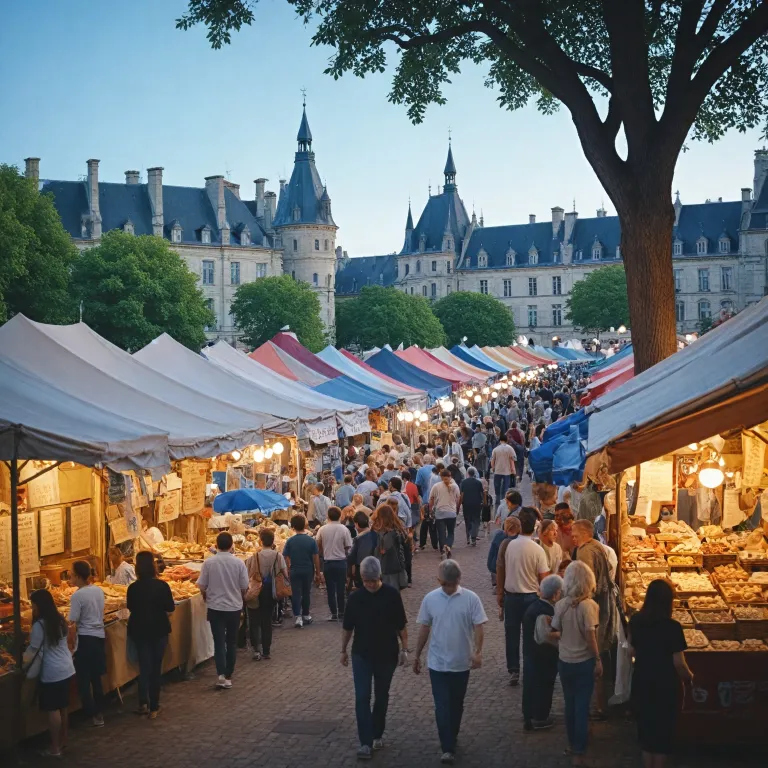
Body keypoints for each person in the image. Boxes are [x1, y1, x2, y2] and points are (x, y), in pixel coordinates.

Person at [414, 560, 487, 765]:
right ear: (440, 581)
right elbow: (424, 628)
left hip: (461, 663)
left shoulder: (471, 599)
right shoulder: (430, 599)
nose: (448, 587)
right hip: (437, 663)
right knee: (442, 706)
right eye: (445, 584)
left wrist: (478, 652)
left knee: (456, 704)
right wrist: (417, 654)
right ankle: (447, 746)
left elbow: (479, 626)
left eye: (450, 583)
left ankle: (451, 735)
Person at [342, 557, 408, 760]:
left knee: (381, 696)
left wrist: (405, 649)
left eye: (373, 580)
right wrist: (343, 650)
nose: (370, 584)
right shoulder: (355, 598)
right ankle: (365, 742)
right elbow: (347, 628)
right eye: (367, 581)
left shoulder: (392, 595)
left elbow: (401, 625)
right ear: (362, 578)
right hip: (361, 654)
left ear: (379, 576)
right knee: (362, 697)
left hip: (387, 654)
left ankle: (377, 732)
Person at [628, 579, 694, 768]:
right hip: (665, 687)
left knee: (647, 735)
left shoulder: (636, 621)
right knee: (663, 737)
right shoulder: (672, 627)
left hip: (642, 682)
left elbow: (630, 651)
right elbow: (678, 663)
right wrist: (689, 677)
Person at [550, 561, 602, 767]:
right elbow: (591, 636)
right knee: (582, 707)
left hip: (564, 661)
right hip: (583, 662)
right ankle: (578, 753)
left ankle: (572, 745)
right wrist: (598, 659)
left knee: (570, 705)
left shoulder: (561, 605)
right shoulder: (590, 606)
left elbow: (554, 631)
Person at [496, 507, 551, 686]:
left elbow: (500, 569)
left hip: (511, 596)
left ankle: (513, 669)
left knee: (511, 634)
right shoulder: (537, 550)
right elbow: (544, 579)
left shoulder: (508, 545)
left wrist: (499, 593)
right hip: (531, 598)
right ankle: (529, 666)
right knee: (529, 635)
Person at [571, 519, 617, 718]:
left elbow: (586, 584)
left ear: (584, 534)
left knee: (593, 655)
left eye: (574, 534)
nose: (572, 538)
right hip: (604, 605)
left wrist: (578, 602)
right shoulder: (598, 546)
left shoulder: (584, 552)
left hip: (595, 609)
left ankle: (599, 706)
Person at [25, 589, 76, 756]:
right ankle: (64, 741)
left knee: (53, 709)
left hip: (52, 671)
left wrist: (22, 659)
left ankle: (54, 747)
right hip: (67, 667)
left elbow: (33, 650)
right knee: (63, 707)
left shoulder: (39, 625)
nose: (33, 608)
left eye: (33, 605)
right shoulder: (60, 619)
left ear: (39, 605)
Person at [127, 550, 175, 716]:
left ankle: (142, 703)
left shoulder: (133, 588)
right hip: (159, 629)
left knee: (144, 666)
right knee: (155, 667)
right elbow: (170, 608)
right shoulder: (162, 586)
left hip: (139, 630)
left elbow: (131, 608)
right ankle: (154, 706)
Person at [197, 532, 249, 688]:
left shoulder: (209, 563)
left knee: (219, 641)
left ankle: (221, 674)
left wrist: (207, 597)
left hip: (215, 608)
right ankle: (228, 676)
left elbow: (201, 586)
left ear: (217, 545)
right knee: (231, 642)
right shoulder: (239, 563)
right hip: (234, 608)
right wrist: (238, 598)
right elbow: (244, 587)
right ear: (232, 545)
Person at [521, 574, 563, 731]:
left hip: (532, 654)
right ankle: (539, 717)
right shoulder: (543, 611)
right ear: (555, 593)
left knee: (532, 684)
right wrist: (562, 635)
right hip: (541, 657)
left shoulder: (535, 606)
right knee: (542, 685)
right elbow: (545, 636)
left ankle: (529, 715)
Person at [68, 560, 106, 726]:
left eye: (71, 574)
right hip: (99, 637)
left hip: (85, 638)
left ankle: (91, 713)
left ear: (77, 576)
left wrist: (70, 644)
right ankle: (99, 712)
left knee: (83, 680)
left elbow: (72, 622)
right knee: (96, 678)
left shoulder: (77, 595)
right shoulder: (98, 590)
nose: (69, 576)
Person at [245, 529, 288, 660]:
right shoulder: (278, 556)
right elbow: (285, 573)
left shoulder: (254, 556)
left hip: (255, 590)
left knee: (254, 620)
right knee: (267, 620)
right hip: (271, 591)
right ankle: (266, 650)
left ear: (261, 541)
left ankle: (256, 650)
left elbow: (248, 574)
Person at [283, 514, 321, 628]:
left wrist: (289, 568)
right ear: (305, 525)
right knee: (306, 593)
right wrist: (318, 573)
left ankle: (297, 616)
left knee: (295, 594)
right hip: (308, 570)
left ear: (293, 527)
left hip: (295, 570)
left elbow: (286, 556)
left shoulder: (290, 541)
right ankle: (306, 614)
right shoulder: (311, 541)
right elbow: (316, 558)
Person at [317, 506, 353, 621]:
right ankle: (341, 612)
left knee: (330, 590)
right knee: (341, 589)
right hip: (341, 562)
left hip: (328, 562)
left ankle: (333, 613)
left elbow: (318, 544)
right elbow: (348, 546)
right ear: (340, 516)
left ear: (328, 516)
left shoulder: (322, 529)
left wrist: (323, 551)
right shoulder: (344, 529)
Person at [371, 503, 408, 590]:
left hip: (382, 567)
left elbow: (380, 549)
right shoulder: (398, 530)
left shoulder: (377, 532)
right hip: (396, 565)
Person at [429, 470, 460, 559]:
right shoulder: (455, 486)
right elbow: (458, 500)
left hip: (440, 513)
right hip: (451, 512)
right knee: (450, 532)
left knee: (441, 533)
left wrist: (430, 510)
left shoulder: (436, 486)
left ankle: (443, 549)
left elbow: (431, 499)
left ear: (441, 477)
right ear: (450, 476)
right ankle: (448, 546)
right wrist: (456, 510)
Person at [348, 511, 380, 589]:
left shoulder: (358, 538)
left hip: (361, 568)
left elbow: (352, 556)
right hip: (375, 566)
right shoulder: (375, 534)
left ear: (357, 524)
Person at [488, 516, 521, 588]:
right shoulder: (520, 539)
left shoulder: (499, 535)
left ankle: (496, 586)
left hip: (496, 567)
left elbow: (492, 552)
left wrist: (490, 565)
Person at [459, 467, 484, 546]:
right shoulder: (478, 483)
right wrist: (483, 502)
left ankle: (468, 537)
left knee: (467, 521)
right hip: (476, 504)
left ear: (467, 474)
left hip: (466, 504)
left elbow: (462, 495)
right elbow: (482, 494)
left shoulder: (463, 482)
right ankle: (473, 537)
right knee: (475, 521)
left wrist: (460, 503)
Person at [491, 433, 516, 504]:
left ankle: (497, 499)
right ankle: (504, 500)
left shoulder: (495, 449)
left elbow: (492, 460)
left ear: (500, 440)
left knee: (497, 486)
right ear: (506, 440)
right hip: (507, 471)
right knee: (505, 487)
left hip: (497, 470)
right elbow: (515, 458)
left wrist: (493, 468)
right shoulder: (510, 448)